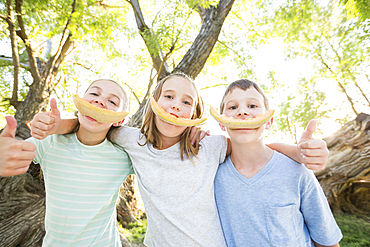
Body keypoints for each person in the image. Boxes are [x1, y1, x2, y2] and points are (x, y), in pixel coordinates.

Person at [25, 72, 329, 247]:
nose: (175, 106)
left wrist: (297, 151)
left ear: (195, 115)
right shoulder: (130, 140)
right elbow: (93, 122)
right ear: (153, 103)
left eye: (186, 102)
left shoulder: (211, 147)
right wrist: (58, 125)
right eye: (168, 96)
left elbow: (251, 141)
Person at [0, 79, 135, 246]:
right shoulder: (49, 142)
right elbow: (13, 153)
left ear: (119, 120)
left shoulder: (123, 158)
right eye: (94, 93)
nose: (100, 101)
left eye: (112, 101)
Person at [214, 79, 342, 247]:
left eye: (252, 106)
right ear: (221, 123)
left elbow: (326, 241)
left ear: (269, 121)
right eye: (232, 107)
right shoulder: (213, 176)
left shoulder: (297, 171)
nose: (242, 112)